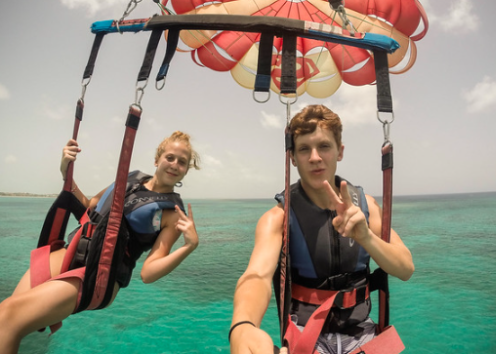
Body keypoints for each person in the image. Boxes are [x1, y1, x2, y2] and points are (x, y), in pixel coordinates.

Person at [229, 105, 414, 354]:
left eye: (324, 146)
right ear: (292, 157)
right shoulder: (278, 218)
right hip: (307, 336)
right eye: (304, 149)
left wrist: (366, 236)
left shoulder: (367, 207)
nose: (315, 157)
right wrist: (243, 325)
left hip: (363, 333)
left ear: (340, 151)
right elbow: (257, 276)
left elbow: (405, 269)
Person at [0, 131, 201, 354]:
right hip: (75, 252)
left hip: (101, 275)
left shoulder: (171, 213)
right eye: (170, 157)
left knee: (9, 318)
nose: (174, 165)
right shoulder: (131, 177)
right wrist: (65, 171)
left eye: (182, 162)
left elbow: (148, 273)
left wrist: (188, 247)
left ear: (186, 170)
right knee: (3, 317)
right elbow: (89, 205)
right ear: (157, 159)